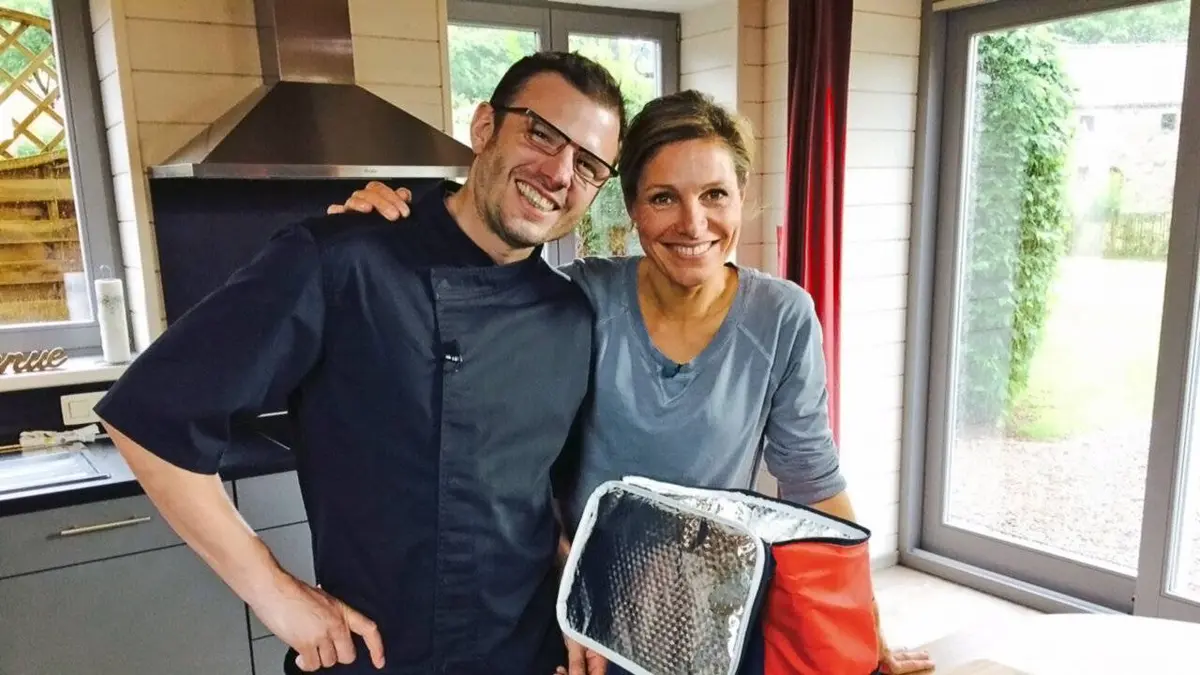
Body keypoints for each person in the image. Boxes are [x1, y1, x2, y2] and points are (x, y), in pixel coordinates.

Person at [331, 88, 936, 675]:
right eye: (664, 197)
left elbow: (813, 482)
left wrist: (864, 626)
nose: (693, 223)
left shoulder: (782, 316)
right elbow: (483, 284)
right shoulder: (581, 296)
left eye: (714, 194)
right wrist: (395, 227)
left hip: (703, 622)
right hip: (573, 615)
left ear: (742, 196)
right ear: (633, 208)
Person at [94, 51, 624, 675]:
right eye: (542, 134)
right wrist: (273, 592)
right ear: (484, 128)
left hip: (526, 659)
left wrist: (576, 609)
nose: (559, 173)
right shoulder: (343, 261)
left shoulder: (570, 316)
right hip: (377, 657)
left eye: (588, 166)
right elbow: (149, 417)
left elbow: (537, 505)